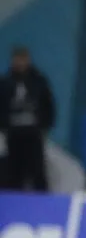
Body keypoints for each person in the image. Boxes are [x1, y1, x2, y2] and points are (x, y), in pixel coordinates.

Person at [0, 46, 55, 191]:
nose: (20, 62)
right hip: (13, 136)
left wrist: (45, 125)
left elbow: (48, 105)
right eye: (17, 59)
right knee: (13, 173)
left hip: (33, 135)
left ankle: (43, 205)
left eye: (23, 58)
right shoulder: (5, 83)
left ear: (28, 59)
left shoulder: (39, 81)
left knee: (37, 171)